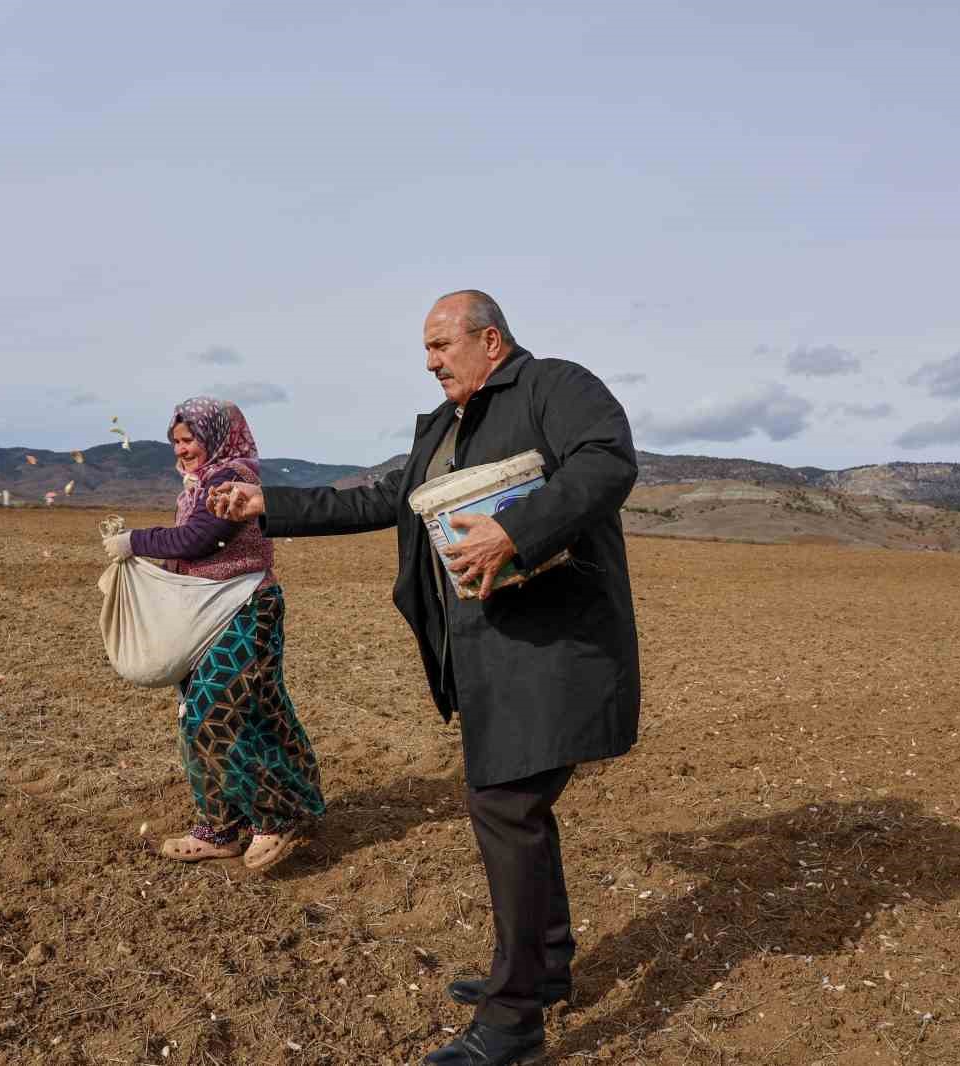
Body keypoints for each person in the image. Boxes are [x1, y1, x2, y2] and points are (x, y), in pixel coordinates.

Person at [209, 291, 641, 1065]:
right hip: (488, 653)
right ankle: (543, 972)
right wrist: (264, 502)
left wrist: (517, 528)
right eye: (427, 351)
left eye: (443, 345)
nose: (432, 362)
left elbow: (607, 458)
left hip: (554, 645)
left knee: (506, 807)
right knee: (516, 809)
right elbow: (382, 499)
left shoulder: (555, 387)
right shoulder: (444, 428)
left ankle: (513, 1023)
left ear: (492, 339)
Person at [102, 397, 325, 872]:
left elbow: (198, 539)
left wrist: (135, 541)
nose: (181, 450)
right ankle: (220, 827)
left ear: (217, 437)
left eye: (190, 440)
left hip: (245, 609)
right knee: (237, 712)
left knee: (215, 711)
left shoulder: (229, 480)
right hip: (208, 612)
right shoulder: (200, 482)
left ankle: (274, 816)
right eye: (176, 442)